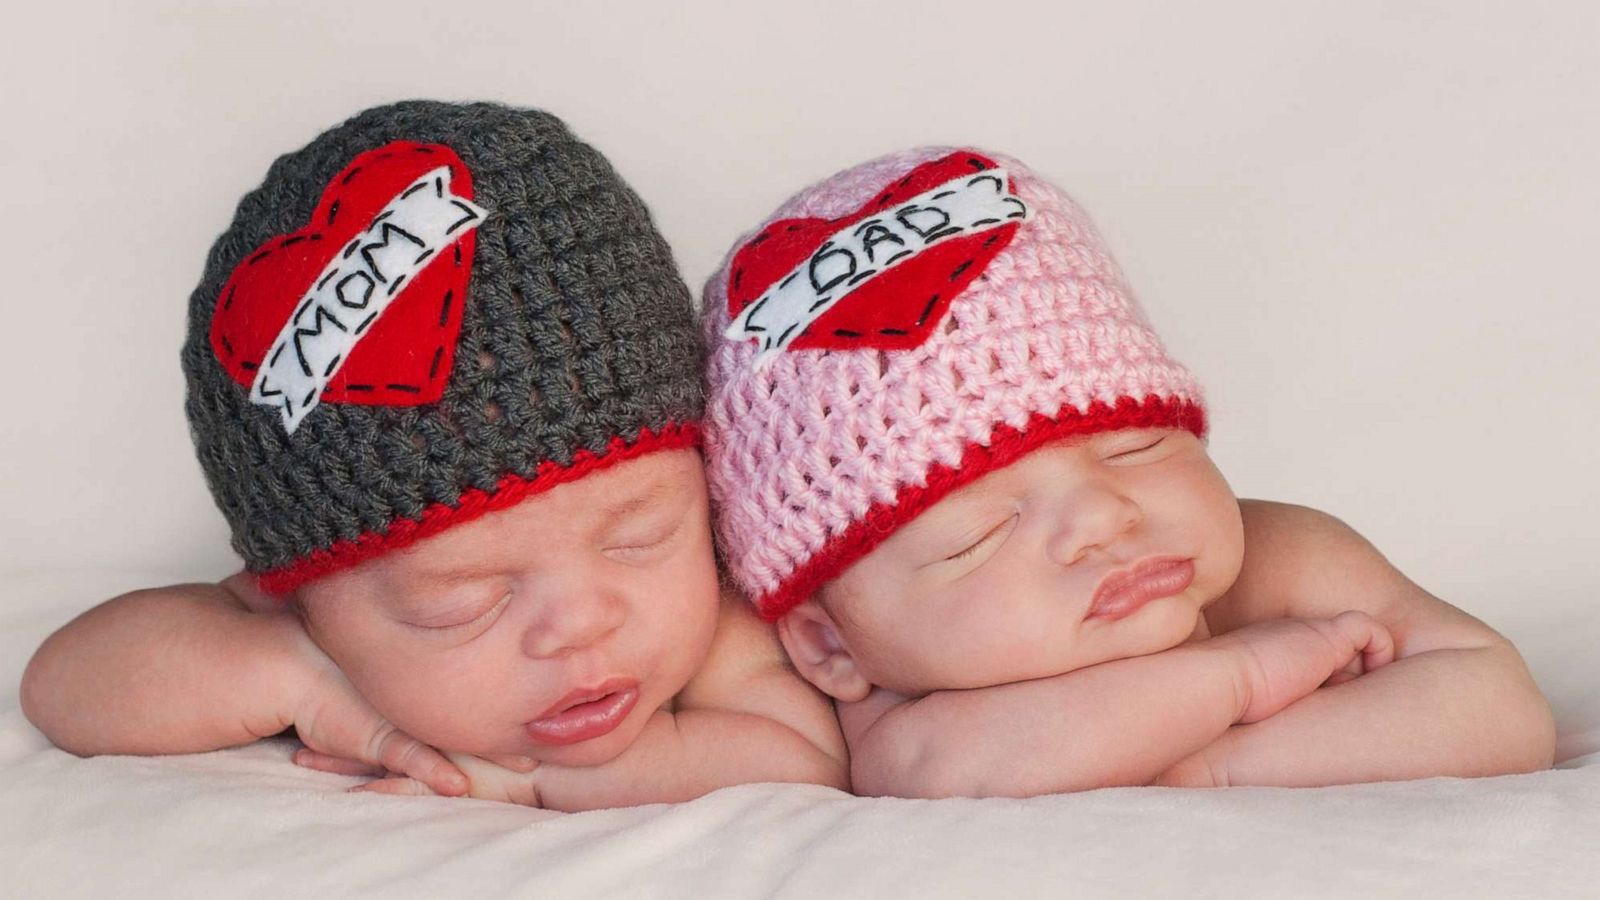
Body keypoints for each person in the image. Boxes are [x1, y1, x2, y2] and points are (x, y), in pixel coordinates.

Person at [20, 101, 846, 811]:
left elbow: (797, 760)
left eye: (643, 536)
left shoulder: (713, 638)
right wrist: (299, 681)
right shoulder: (313, 636)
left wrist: (529, 784)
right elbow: (62, 684)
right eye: (460, 603)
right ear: (303, 597)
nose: (582, 623)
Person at [699, 146, 1555, 797]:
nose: (1103, 517)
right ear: (831, 644)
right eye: (979, 531)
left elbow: (1498, 705)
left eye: (1134, 446)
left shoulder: (1284, 558)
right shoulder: (903, 709)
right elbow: (957, 774)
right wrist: (1241, 676)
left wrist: (1217, 767)